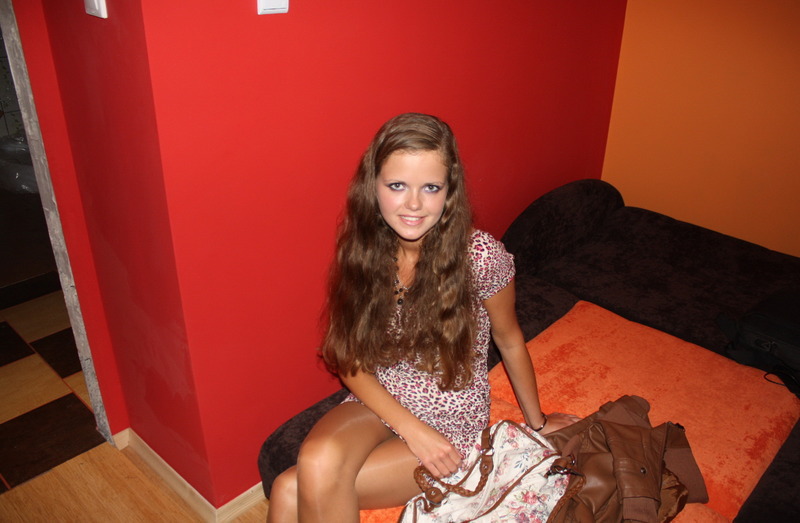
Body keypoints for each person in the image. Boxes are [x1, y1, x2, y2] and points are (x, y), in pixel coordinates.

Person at [267, 113, 577, 523]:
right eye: (397, 186)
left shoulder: (479, 256)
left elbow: (509, 339)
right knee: (316, 459)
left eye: (430, 187)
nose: (413, 204)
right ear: (373, 186)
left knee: (289, 487)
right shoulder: (364, 251)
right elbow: (349, 357)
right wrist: (413, 430)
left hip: (452, 418)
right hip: (379, 398)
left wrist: (537, 424)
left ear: (449, 192)